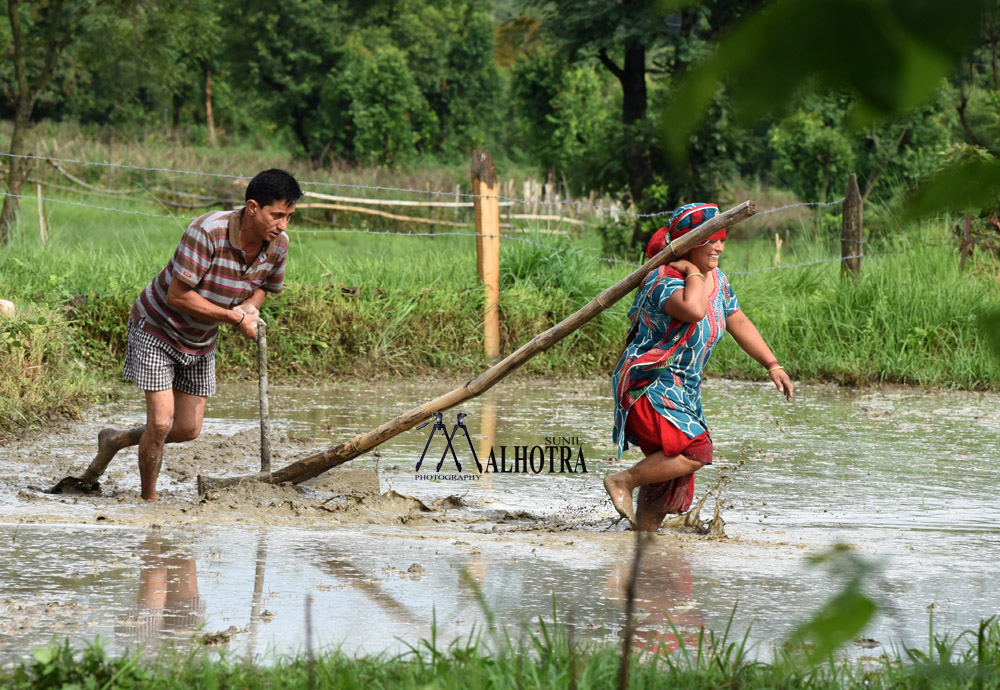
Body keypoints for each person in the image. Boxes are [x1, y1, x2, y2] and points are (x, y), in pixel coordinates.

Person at [88, 168, 302, 500]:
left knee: (187, 429)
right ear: (252, 207)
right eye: (277, 215)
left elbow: (263, 288)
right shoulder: (208, 232)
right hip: (158, 327)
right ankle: (149, 501)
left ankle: (116, 440)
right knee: (160, 424)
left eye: (289, 216)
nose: (283, 225)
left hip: (200, 338)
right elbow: (178, 296)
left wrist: (249, 305)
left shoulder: (278, 246)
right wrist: (234, 317)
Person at [603, 202, 793, 531]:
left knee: (670, 474)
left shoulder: (717, 279)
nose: (719, 246)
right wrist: (692, 272)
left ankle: (644, 541)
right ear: (689, 244)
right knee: (696, 449)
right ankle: (622, 481)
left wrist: (772, 364)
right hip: (650, 383)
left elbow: (737, 320)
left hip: (684, 388)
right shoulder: (663, 279)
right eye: (711, 240)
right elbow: (693, 310)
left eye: (722, 238)